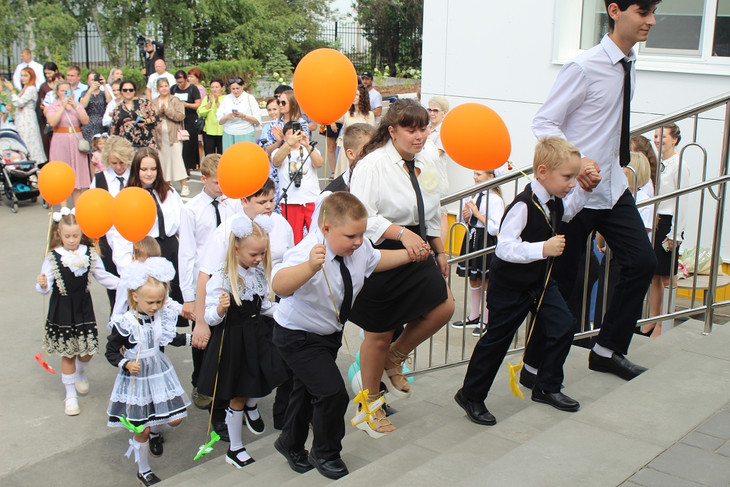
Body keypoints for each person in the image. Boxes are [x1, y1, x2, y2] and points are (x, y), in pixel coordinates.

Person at [529, 0, 660, 382]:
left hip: (613, 189)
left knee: (642, 262)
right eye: (643, 12)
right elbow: (544, 121)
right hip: (577, 193)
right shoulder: (583, 66)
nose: (651, 21)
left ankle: (607, 350)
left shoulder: (628, 63)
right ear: (616, 10)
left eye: (654, 12)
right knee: (562, 283)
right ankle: (534, 368)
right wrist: (578, 161)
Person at [455, 137, 599, 426]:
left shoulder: (555, 201)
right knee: (498, 340)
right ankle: (471, 394)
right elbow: (504, 248)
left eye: (574, 178)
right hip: (510, 286)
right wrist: (541, 249)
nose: (571, 183)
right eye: (567, 177)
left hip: (541, 283)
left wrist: (583, 191)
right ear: (543, 172)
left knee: (563, 325)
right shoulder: (522, 205)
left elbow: (568, 213)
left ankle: (547, 385)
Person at [271, 192, 411, 478]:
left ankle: (290, 442)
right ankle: (326, 453)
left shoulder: (357, 248)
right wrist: (309, 267)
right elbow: (279, 285)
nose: (358, 241)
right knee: (332, 393)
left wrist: (411, 254)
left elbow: (374, 258)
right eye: (350, 236)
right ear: (327, 229)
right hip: (297, 335)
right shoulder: (307, 251)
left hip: (327, 336)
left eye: (361, 234)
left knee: (305, 390)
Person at [348, 98, 455, 433]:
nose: (418, 135)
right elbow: (360, 216)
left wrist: (439, 249)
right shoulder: (372, 164)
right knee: (377, 336)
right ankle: (370, 406)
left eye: (423, 127)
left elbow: (432, 209)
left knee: (445, 307)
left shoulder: (427, 158)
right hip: (382, 249)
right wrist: (400, 233)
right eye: (410, 128)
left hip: (420, 245)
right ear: (392, 131)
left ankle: (395, 359)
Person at [192, 178, 293, 435]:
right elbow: (206, 276)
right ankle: (222, 418)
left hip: (261, 305)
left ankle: (250, 403)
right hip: (232, 313)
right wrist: (202, 321)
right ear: (245, 201)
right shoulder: (227, 231)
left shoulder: (279, 225)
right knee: (229, 372)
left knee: (262, 365)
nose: (269, 206)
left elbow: (286, 259)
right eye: (262, 202)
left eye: (272, 199)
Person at [198, 215, 287, 468]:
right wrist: (219, 310)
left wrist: (288, 314)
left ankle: (251, 404)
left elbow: (266, 307)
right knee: (237, 394)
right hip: (234, 342)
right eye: (253, 254)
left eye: (262, 253)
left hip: (257, 338)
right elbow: (209, 319)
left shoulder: (258, 274)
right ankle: (235, 448)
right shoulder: (223, 276)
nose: (259, 258)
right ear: (236, 248)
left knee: (270, 374)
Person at [105, 257, 191, 486]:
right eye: (151, 302)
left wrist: (195, 339)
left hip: (159, 372)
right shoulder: (126, 323)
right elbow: (110, 351)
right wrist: (125, 363)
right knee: (141, 430)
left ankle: (154, 427)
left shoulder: (160, 317)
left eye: (160, 301)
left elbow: (172, 338)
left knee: (176, 419)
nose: (155, 307)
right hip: (137, 377)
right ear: (135, 297)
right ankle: (143, 470)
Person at [36, 209, 119, 415]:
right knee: (68, 353)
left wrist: (125, 284)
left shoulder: (89, 253)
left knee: (88, 350)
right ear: (59, 234)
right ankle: (70, 394)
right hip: (62, 308)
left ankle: (81, 371)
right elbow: (45, 287)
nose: (72, 240)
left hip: (83, 307)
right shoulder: (53, 257)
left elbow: (103, 277)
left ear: (81, 234)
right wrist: (42, 284)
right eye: (67, 236)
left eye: (75, 236)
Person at [178, 154, 240, 409]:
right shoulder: (191, 209)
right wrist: (189, 296)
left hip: (228, 277)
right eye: (216, 183)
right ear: (203, 180)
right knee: (202, 336)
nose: (222, 188)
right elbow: (187, 254)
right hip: (202, 281)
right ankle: (200, 383)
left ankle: (225, 381)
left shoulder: (232, 204)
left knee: (227, 333)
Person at [112, 148, 186, 327]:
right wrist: (129, 269)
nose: (149, 173)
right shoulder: (128, 196)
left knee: (166, 308)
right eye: (144, 169)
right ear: (136, 170)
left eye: (153, 169)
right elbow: (120, 234)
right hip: (146, 252)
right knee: (148, 308)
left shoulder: (169, 192)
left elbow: (182, 225)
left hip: (169, 251)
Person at [645, 123, 689, 337]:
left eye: (663, 136)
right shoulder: (658, 164)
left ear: (674, 140)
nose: (657, 140)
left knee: (667, 276)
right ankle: (652, 320)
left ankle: (664, 322)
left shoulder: (680, 164)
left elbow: (683, 199)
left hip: (669, 223)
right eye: (655, 136)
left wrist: (676, 234)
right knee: (654, 275)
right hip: (656, 221)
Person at [452, 169, 505, 337]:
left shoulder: (495, 200)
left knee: (486, 280)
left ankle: (487, 319)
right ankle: (474, 315)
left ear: (491, 177)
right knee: (473, 278)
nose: (475, 177)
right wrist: (466, 215)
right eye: (474, 174)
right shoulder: (473, 195)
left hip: (486, 240)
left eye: (479, 175)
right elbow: (463, 220)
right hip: (473, 237)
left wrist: (477, 214)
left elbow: (495, 228)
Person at [90, 135, 134, 306]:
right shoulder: (100, 179)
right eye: (114, 163)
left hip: (133, 234)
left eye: (122, 163)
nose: (118, 167)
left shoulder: (135, 176)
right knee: (113, 278)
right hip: (108, 236)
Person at [272, 121, 324, 243]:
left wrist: (307, 145)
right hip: (291, 202)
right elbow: (276, 161)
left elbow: (319, 163)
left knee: (317, 236)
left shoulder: (310, 149)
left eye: (296, 133)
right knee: (294, 240)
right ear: (284, 137)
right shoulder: (279, 151)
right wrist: (288, 144)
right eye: (290, 133)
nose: (294, 136)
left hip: (311, 200)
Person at [46, 80, 90, 206]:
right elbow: (52, 122)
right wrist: (62, 107)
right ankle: (63, 207)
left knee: (77, 173)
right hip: (61, 139)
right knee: (61, 173)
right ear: (57, 93)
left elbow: (85, 120)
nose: (65, 93)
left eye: (68, 90)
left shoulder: (77, 105)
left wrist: (76, 107)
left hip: (76, 138)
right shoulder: (53, 106)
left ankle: (77, 206)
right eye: (62, 90)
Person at [152, 78, 188, 193]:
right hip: (159, 136)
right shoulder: (153, 102)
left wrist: (167, 111)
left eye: (166, 86)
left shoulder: (175, 100)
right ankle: (167, 185)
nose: (164, 88)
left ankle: (184, 185)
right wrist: (159, 112)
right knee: (163, 161)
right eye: (161, 86)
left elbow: (180, 116)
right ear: (158, 88)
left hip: (174, 136)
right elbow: (151, 118)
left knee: (177, 159)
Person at [4, 68, 46, 163]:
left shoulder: (31, 88)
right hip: (21, 117)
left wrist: (12, 91)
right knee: (22, 139)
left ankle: (32, 161)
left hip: (27, 118)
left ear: (31, 77)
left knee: (29, 140)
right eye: (22, 75)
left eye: (26, 75)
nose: (23, 78)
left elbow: (19, 103)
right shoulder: (25, 88)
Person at [333, 85, 374, 178]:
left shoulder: (369, 115)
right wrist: (332, 123)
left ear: (362, 97)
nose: (354, 97)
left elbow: (371, 133)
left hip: (361, 149)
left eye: (356, 95)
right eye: (353, 95)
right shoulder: (347, 113)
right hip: (346, 148)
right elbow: (334, 117)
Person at [427, 96, 452, 244]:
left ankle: (440, 249)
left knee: (441, 213)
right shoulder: (428, 128)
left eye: (436, 110)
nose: (432, 113)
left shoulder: (443, 131)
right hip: (426, 179)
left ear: (444, 113)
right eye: (430, 109)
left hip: (438, 179)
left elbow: (437, 153)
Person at [324, 123, 376, 193]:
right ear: (351, 154)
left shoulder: (382, 181)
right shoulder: (332, 194)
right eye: (369, 149)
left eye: (378, 149)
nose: (376, 154)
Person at [170, 70, 201, 183]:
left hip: (190, 118)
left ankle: (188, 167)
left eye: (182, 82)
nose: (180, 85)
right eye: (178, 82)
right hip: (177, 119)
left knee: (189, 144)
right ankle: (180, 167)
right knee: (178, 144)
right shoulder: (173, 89)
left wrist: (186, 104)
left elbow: (198, 104)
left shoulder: (193, 89)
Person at [110, 80, 159, 150]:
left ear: (134, 91)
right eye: (125, 90)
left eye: (131, 90)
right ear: (121, 91)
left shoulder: (144, 103)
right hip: (126, 145)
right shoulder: (118, 108)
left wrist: (145, 121)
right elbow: (114, 129)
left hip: (145, 141)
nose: (128, 92)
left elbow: (156, 117)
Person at [216, 77, 260, 150]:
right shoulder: (226, 98)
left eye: (238, 88)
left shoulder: (249, 98)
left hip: (245, 133)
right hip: (228, 133)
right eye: (233, 89)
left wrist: (244, 116)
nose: (235, 91)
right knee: (230, 157)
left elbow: (257, 120)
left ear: (243, 86)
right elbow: (220, 121)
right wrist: (227, 117)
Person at [263, 90, 310, 157]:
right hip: (278, 163)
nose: (280, 105)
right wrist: (278, 142)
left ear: (293, 104)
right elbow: (267, 150)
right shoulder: (275, 123)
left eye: (283, 103)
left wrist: (285, 138)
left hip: (296, 161)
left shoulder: (301, 123)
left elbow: (303, 145)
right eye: (279, 102)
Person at [80, 71, 112, 143]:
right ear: (88, 81)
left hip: (101, 123)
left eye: (95, 79)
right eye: (91, 80)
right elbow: (83, 105)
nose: (94, 81)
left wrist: (104, 84)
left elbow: (109, 101)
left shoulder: (102, 93)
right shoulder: (84, 93)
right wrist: (91, 90)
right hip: (89, 123)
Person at [197, 78, 225, 155]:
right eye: (212, 87)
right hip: (208, 131)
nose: (214, 89)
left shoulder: (226, 98)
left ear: (222, 88)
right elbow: (201, 112)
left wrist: (216, 102)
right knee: (209, 155)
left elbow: (225, 113)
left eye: (217, 87)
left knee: (222, 154)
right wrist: (210, 103)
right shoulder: (207, 98)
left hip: (222, 131)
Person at [37, 62, 59, 156]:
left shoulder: (62, 85)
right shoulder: (44, 86)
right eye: (46, 73)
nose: (48, 75)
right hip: (47, 119)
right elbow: (41, 103)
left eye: (49, 73)